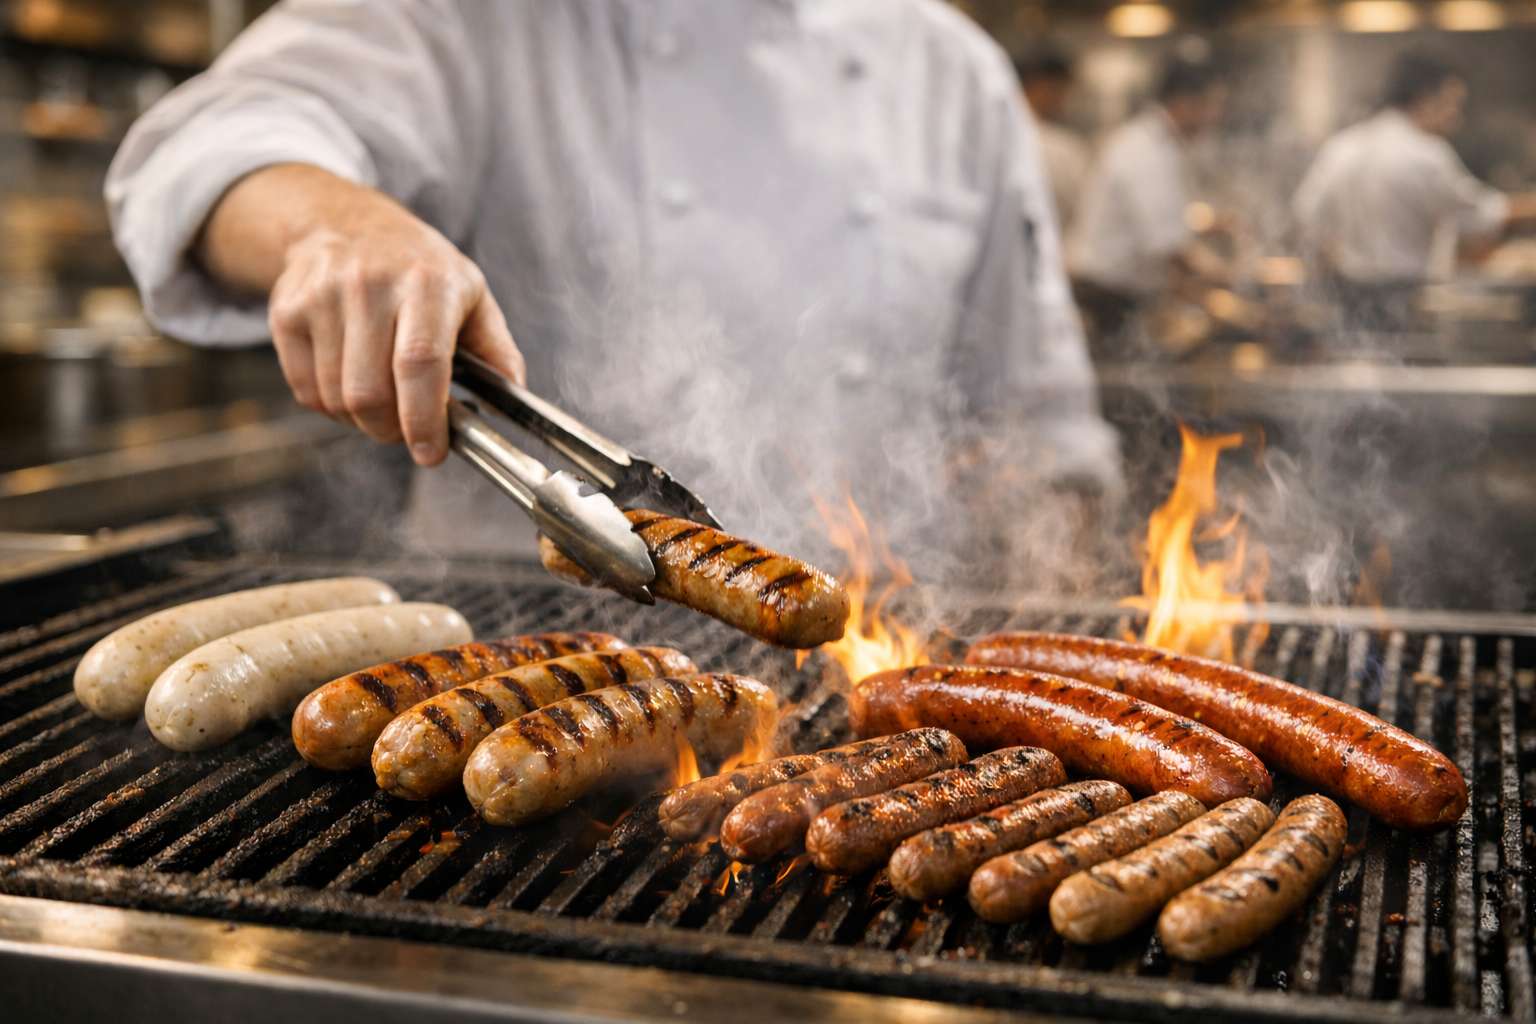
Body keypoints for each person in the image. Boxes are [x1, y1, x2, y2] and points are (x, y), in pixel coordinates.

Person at [105, 0, 1120, 579]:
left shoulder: (955, 72)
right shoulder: (484, 18)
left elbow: (1040, 432)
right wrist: (332, 221)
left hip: (865, 685)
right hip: (519, 666)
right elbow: (205, 145)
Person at [1292, 50, 1536, 329]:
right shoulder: (1426, 155)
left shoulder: (1342, 147)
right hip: (1408, 303)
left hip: (1347, 305)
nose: (1456, 118)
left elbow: (1306, 216)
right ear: (1424, 100)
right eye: (1451, 104)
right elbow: (1485, 213)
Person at [1068, 54, 1230, 354]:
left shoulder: (1157, 145)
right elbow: (1168, 245)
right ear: (1185, 102)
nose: (1215, 117)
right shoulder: (1144, 152)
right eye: (1213, 104)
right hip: (1106, 300)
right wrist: (1225, 282)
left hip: (1118, 297)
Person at [1014, 44, 1090, 231]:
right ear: (1043, 86)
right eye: (1062, 90)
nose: (1065, 99)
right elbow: (1090, 215)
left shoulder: (986, 139)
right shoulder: (1062, 149)